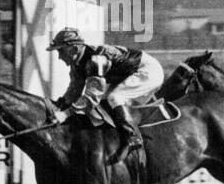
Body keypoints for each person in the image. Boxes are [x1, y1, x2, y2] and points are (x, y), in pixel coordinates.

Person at [48, 26, 164, 164]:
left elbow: (91, 97)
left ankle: (132, 137)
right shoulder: (77, 62)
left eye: (60, 51)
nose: (60, 57)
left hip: (149, 71)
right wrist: (60, 105)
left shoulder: (96, 61)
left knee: (114, 97)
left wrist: (66, 114)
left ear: (73, 49)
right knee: (104, 103)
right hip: (129, 72)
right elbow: (74, 90)